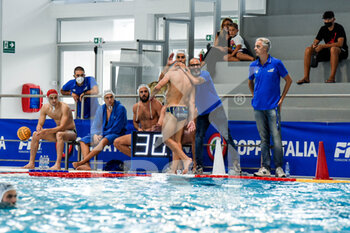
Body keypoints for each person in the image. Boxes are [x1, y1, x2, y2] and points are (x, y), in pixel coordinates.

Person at [186, 58, 241, 175]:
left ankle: (236, 164)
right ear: (190, 67)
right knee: (198, 137)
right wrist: (191, 119)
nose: (196, 67)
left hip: (216, 109)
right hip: (202, 113)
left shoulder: (205, 74)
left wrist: (185, 72)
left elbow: (196, 82)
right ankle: (199, 166)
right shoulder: (189, 81)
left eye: (197, 64)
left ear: (200, 65)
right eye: (192, 65)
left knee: (226, 135)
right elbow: (191, 101)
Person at [248, 37, 292, 177]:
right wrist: (254, 95)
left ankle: (279, 167)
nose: (255, 48)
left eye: (258, 46)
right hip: (258, 107)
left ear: (265, 49)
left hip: (272, 107)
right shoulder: (253, 65)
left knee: (276, 138)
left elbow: (288, 80)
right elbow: (250, 82)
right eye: (255, 46)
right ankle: (265, 167)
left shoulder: (276, 63)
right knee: (264, 139)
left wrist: (282, 98)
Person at [151, 63, 196, 174]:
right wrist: (191, 119)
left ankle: (185, 159)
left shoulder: (171, 74)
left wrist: (152, 95)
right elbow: (192, 102)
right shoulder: (190, 79)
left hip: (172, 109)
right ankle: (174, 169)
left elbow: (158, 86)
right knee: (177, 141)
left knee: (166, 138)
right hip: (183, 110)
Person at [23, 89, 77, 170]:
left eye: (55, 98)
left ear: (58, 97)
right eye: (51, 98)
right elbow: (40, 123)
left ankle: (57, 165)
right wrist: (39, 128)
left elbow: (62, 127)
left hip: (70, 132)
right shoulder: (45, 107)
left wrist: (46, 131)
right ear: (48, 98)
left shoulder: (65, 107)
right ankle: (31, 163)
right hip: (57, 132)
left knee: (59, 134)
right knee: (35, 134)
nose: (54, 100)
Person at [73, 90, 127, 170]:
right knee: (83, 141)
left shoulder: (120, 108)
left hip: (116, 134)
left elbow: (117, 128)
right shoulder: (101, 109)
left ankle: (82, 162)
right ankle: (87, 165)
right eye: (107, 98)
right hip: (103, 134)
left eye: (111, 97)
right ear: (104, 100)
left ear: (114, 98)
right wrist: (95, 135)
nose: (109, 100)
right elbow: (95, 126)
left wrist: (101, 135)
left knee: (103, 141)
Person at [297, 11, 348, 84]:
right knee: (308, 49)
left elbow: (340, 44)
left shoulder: (339, 27)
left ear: (334, 19)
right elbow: (315, 41)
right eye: (325, 19)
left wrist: (323, 46)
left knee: (333, 49)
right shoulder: (323, 29)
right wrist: (314, 46)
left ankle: (332, 77)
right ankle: (306, 77)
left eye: (329, 19)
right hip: (329, 51)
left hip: (341, 51)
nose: (327, 21)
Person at [113, 84, 163, 157]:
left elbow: (163, 118)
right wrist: (138, 128)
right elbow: (135, 122)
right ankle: (136, 158)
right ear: (139, 94)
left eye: (145, 91)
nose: (143, 94)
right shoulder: (136, 107)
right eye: (141, 92)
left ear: (149, 93)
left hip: (154, 135)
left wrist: (156, 128)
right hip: (142, 134)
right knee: (117, 142)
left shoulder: (156, 104)